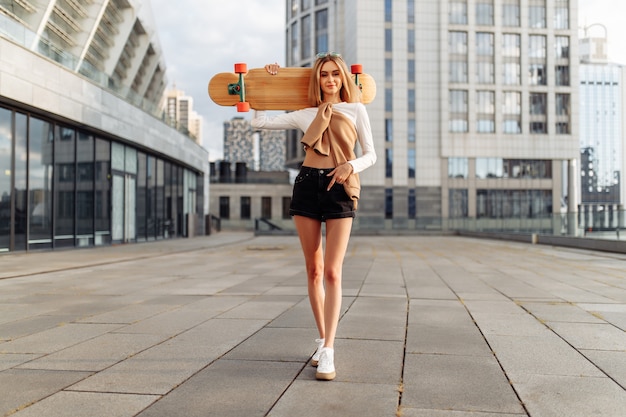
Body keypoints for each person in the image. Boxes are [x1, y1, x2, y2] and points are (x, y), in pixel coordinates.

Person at [251, 52, 376, 381]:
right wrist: (267, 85)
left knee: (333, 272)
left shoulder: (356, 110)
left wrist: (351, 164)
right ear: (317, 80)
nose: (331, 80)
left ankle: (330, 351)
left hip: (339, 187)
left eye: (336, 74)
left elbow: (371, 154)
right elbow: (259, 122)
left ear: (343, 79)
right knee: (314, 268)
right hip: (307, 185)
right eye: (324, 75)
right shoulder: (305, 114)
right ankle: (322, 340)